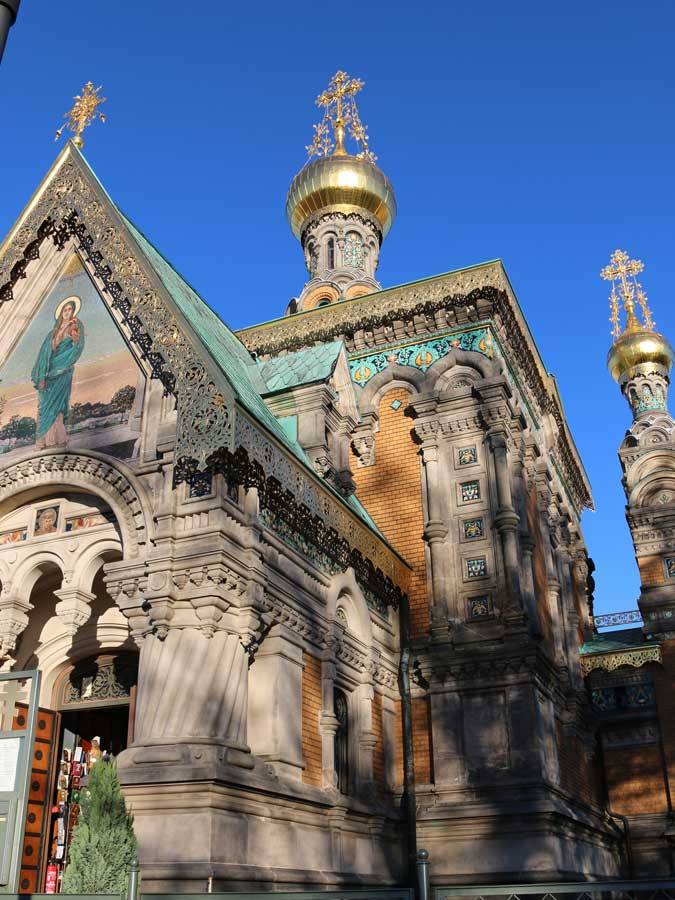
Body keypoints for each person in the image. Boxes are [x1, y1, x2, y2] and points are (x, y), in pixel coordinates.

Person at [31, 296, 84, 450]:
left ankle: (57, 440)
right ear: (61, 312)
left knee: (57, 406)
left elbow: (77, 346)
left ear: (73, 311)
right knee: (44, 407)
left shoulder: (74, 326)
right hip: (48, 375)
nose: (67, 312)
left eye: (70, 309)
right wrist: (42, 375)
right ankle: (43, 442)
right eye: (65, 309)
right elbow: (44, 354)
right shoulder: (52, 333)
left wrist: (74, 337)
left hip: (62, 373)